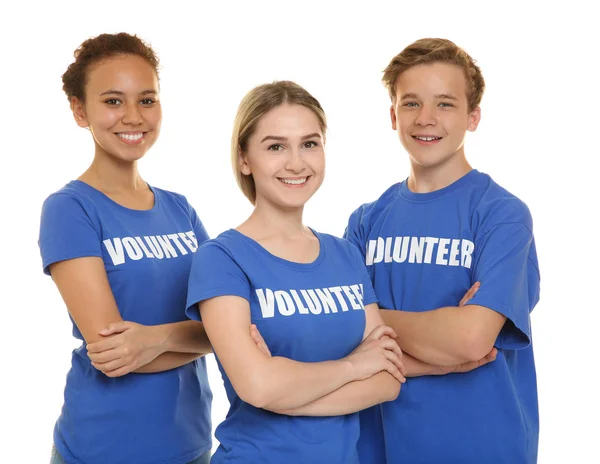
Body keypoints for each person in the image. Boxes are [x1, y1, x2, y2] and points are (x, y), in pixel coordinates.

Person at [185, 80, 493, 464]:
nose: (296, 162)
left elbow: (387, 381)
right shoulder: (221, 258)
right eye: (275, 146)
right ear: (245, 159)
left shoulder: (345, 254)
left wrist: (287, 393)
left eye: (309, 143)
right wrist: (353, 365)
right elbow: (258, 385)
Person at [345, 38, 541, 464]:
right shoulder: (365, 221)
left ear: (473, 117)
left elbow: (471, 341)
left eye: (445, 104)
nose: (426, 119)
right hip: (378, 448)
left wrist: (370, 318)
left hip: (483, 447)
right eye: (411, 103)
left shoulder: (502, 215)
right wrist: (443, 327)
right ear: (393, 114)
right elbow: (338, 337)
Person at [39, 33, 213, 464]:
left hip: (191, 444)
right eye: (113, 101)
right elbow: (113, 353)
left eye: (147, 100)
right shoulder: (70, 209)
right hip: (102, 448)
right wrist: (207, 337)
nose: (133, 117)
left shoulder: (180, 209)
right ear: (81, 111)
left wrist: (156, 338)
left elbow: (231, 321)